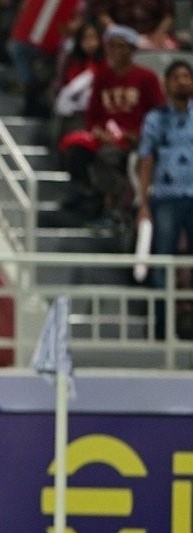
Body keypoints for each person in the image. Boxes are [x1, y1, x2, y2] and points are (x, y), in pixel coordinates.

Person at [61, 25, 164, 223]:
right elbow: (93, 114)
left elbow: (157, 113)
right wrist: (97, 131)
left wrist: (138, 134)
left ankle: (116, 203)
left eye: (121, 46)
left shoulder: (146, 78)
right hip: (107, 136)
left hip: (136, 138)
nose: (116, 51)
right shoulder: (102, 76)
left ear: (132, 49)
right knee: (75, 150)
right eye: (112, 46)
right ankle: (92, 194)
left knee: (108, 156)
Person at [136, 59, 193, 337]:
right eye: (176, 77)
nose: (182, 81)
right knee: (163, 264)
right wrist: (143, 203)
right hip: (167, 198)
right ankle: (161, 327)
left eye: (187, 76)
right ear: (167, 84)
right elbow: (146, 159)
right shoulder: (155, 118)